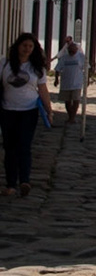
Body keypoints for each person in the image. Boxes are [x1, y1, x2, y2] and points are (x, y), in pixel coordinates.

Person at [2, 33, 52, 196]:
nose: (27, 49)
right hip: (7, 110)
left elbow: (43, 90)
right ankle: (10, 184)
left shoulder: (36, 68)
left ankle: (24, 180)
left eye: (30, 46)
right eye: (24, 46)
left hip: (28, 111)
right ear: (18, 46)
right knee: (10, 148)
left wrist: (49, 110)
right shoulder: (5, 64)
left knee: (24, 146)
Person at [54, 35, 87, 124]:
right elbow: (57, 69)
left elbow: (87, 67)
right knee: (67, 101)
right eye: (70, 51)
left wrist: (87, 79)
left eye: (73, 51)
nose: (71, 52)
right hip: (66, 82)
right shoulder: (64, 57)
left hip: (77, 82)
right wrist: (56, 79)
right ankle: (70, 116)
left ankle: (72, 117)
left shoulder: (80, 56)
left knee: (76, 100)